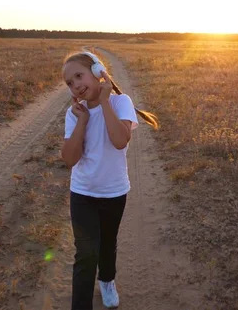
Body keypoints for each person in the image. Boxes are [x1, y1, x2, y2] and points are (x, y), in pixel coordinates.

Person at [61, 50, 158, 310]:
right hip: (82, 193)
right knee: (85, 253)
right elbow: (69, 160)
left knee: (107, 243)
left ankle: (106, 280)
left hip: (114, 192)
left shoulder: (120, 102)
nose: (76, 85)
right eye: (69, 83)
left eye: (79, 76)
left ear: (97, 72)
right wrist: (82, 120)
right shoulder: (73, 114)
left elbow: (119, 141)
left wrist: (104, 102)